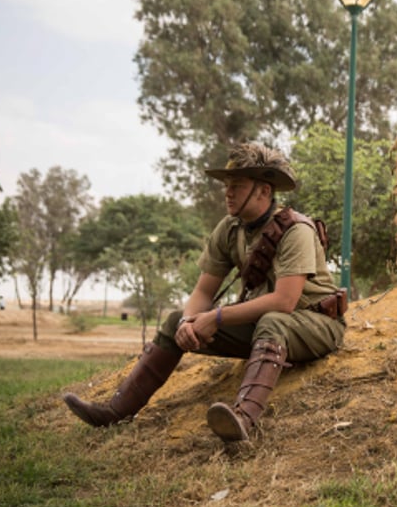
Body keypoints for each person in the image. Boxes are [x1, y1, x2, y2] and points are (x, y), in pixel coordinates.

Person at [63, 143, 345, 442]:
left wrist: (218, 317)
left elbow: (284, 302)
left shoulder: (296, 230)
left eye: (237, 186)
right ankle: (115, 412)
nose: (228, 193)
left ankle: (242, 420)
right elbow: (203, 290)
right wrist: (188, 322)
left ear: (263, 191)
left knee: (273, 320)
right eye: (227, 185)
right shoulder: (230, 229)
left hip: (316, 324)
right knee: (174, 322)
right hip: (270, 329)